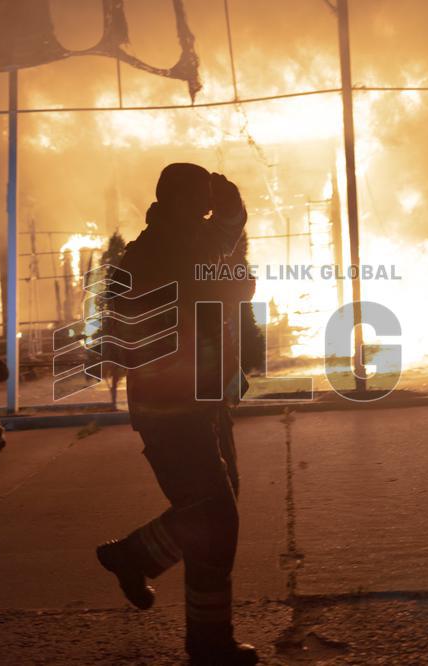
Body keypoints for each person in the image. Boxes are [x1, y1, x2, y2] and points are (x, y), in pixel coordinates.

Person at [96, 163, 258, 665]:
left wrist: (230, 207)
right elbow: (235, 285)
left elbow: (227, 233)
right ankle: (205, 639)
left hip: (194, 403)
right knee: (215, 517)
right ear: (185, 203)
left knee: (212, 510)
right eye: (203, 202)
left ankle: (139, 560)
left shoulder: (173, 237)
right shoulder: (170, 250)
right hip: (175, 411)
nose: (210, 212)